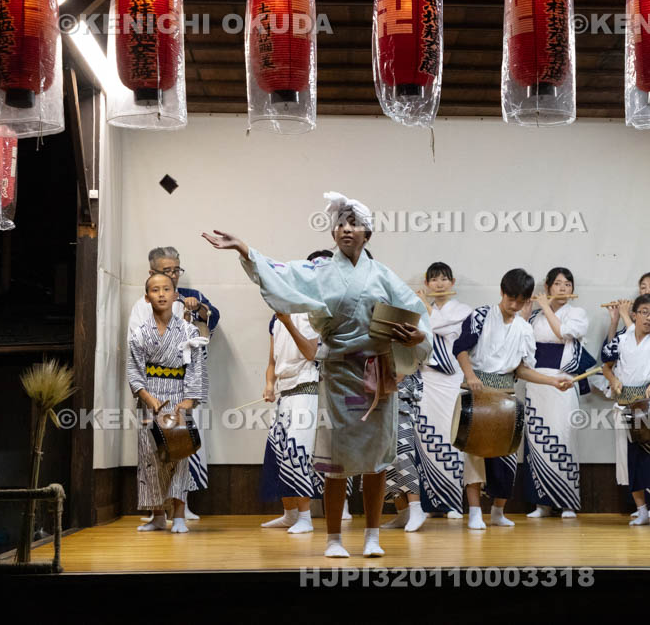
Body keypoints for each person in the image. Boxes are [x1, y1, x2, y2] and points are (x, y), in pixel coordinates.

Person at [203, 192, 432, 558]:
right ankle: (334, 539)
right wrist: (245, 249)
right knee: (336, 461)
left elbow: (416, 314)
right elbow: (283, 273)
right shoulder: (320, 271)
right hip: (339, 373)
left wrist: (419, 335)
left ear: (367, 234)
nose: (346, 229)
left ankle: (372, 535)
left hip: (377, 371)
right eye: (340, 223)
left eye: (354, 223)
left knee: (375, 462)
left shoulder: (383, 275)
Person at [453, 269, 573, 530]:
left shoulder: (523, 329)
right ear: (501, 292)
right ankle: (474, 512)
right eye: (511, 298)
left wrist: (553, 381)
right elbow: (460, 348)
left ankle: (498, 511)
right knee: (474, 455)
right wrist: (471, 376)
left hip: (506, 395)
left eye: (521, 301)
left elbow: (522, 369)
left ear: (527, 300)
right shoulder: (480, 316)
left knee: (506, 457)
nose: (515, 305)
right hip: (477, 392)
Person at [129, 246, 219, 520]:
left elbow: (200, 351)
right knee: (150, 452)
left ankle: (180, 511)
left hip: (180, 391)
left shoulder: (190, 303)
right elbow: (134, 361)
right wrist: (147, 396)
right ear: (150, 277)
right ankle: (157, 514)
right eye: (165, 272)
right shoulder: (140, 311)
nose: (171, 278)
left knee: (180, 450)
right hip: (152, 391)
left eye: (175, 271)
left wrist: (190, 399)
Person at [260, 249, 333, 533]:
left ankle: (305, 517)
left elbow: (312, 352)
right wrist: (268, 384)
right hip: (283, 390)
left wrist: (290, 322)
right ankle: (289, 513)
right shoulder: (277, 316)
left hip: (306, 388)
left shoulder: (314, 310)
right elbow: (271, 359)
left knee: (298, 450)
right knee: (279, 451)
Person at [601, 271, 650, 516]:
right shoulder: (621, 341)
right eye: (644, 313)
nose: (648, 318)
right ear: (634, 315)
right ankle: (642, 510)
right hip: (624, 405)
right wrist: (613, 380)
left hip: (647, 406)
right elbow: (606, 364)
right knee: (629, 459)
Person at [524, 267, 589, 519]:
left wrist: (547, 308)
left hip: (563, 381)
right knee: (537, 438)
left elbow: (564, 333)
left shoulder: (577, 313)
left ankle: (568, 502)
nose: (563, 288)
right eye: (558, 284)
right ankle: (542, 503)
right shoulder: (536, 317)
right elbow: (524, 344)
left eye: (568, 284)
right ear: (548, 286)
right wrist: (530, 312)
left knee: (563, 436)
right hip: (537, 381)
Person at [412, 262, 471, 520]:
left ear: (453, 282)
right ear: (427, 283)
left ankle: (453, 503)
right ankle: (427, 504)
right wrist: (422, 310)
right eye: (434, 279)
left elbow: (443, 328)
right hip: (427, 379)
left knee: (452, 437)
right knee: (426, 438)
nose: (439, 284)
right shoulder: (421, 311)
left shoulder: (464, 311)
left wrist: (425, 309)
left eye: (444, 279)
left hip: (451, 380)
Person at [380, 371, 427, 532]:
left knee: (403, 453)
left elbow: (407, 362)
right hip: (376, 394)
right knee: (384, 459)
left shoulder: (404, 346)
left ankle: (416, 508)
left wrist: (388, 383)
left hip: (399, 394)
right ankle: (403, 512)